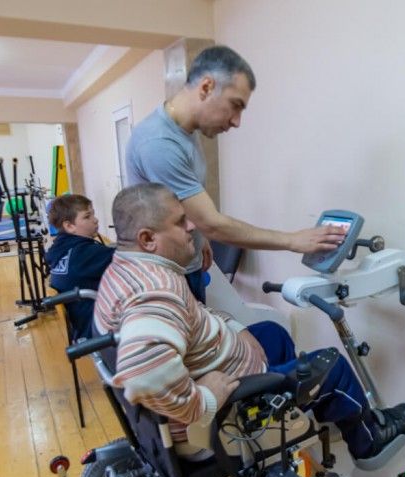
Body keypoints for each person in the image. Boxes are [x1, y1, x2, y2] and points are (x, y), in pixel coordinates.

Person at [93, 183, 405, 460]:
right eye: (180, 222)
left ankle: (291, 416)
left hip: (220, 371)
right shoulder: (156, 292)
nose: (192, 226)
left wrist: (234, 329)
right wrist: (204, 401)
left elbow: (192, 316)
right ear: (148, 238)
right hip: (222, 416)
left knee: (271, 333)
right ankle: (368, 442)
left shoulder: (126, 267)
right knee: (334, 367)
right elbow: (144, 376)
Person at [125, 45, 347, 302]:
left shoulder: (186, 130)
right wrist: (293, 240)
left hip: (187, 264)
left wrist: (199, 238)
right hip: (166, 279)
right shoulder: (159, 143)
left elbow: (188, 207)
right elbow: (212, 223)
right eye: (235, 105)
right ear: (206, 87)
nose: (236, 121)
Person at [45, 193, 115, 338]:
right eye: (87, 216)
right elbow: (127, 257)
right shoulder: (84, 254)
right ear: (69, 226)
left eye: (93, 214)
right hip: (97, 329)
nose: (95, 220)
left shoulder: (60, 251)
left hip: (81, 326)